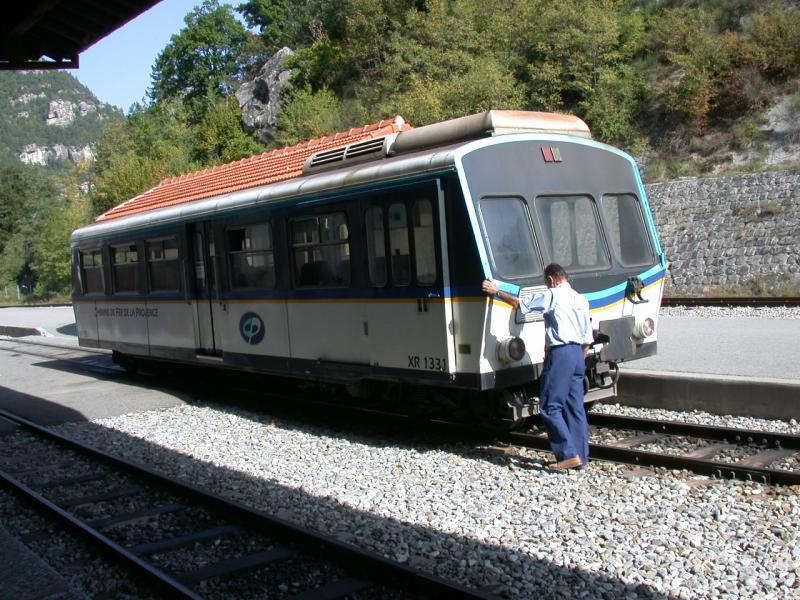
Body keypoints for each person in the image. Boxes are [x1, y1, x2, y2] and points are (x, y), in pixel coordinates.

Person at [482, 263, 593, 471]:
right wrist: (579, 357)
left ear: (551, 279)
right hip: (579, 353)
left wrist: (496, 291)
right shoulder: (581, 299)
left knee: (550, 406)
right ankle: (581, 456)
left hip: (561, 353)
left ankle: (567, 455)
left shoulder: (552, 295)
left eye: (546, 281)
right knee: (575, 407)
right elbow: (588, 336)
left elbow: (520, 304)